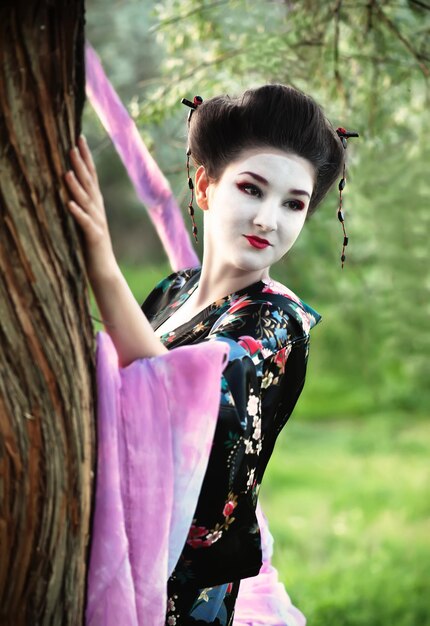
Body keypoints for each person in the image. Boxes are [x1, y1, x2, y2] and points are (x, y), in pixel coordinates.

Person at [65, 84, 347, 625]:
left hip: (183, 586)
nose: (269, 219)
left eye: (293, 203)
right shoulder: (175, 290)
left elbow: (179, 397)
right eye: (251, 189)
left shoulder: (275, 321)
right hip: (116, 537)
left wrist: (101, 261)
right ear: (205, 186)